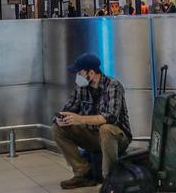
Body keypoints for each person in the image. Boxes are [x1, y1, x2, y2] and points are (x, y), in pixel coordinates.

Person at [53, 54, 132, 189]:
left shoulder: (113, 86)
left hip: (117, 138)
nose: (77, 76)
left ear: (91, 73)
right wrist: (60, 118)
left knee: (106, 128)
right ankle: (83, 173)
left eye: (79, 73)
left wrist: (80, 119)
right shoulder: (80, 88)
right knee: (57, 128)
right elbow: (69, 108)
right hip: (92, 136)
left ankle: (110, 180)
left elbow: (110, 117)